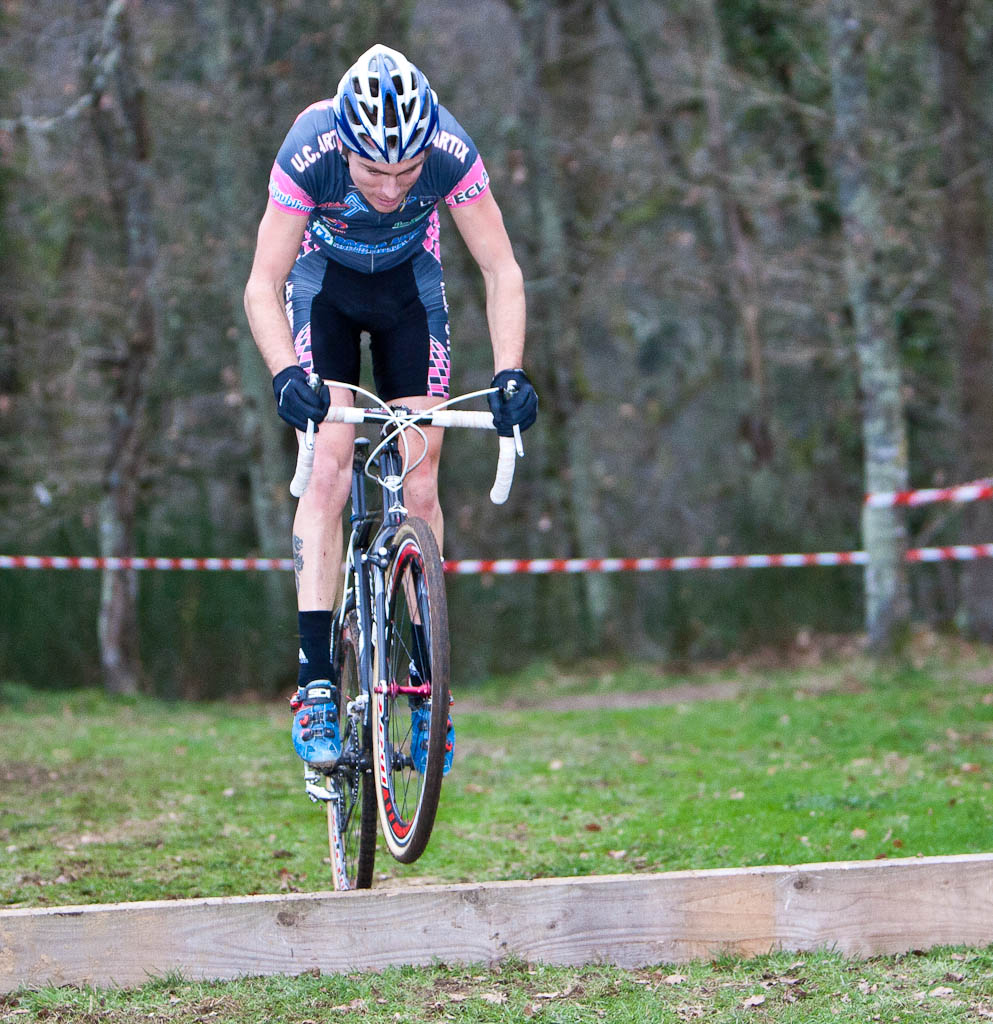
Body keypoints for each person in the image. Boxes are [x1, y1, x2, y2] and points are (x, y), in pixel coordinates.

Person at [243, 44, 537, 772]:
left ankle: (429, 696)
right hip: (324, 289)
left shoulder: (449, 150)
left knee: (422, 474)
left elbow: (500, 269)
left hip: (409, 289)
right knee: (331, 466)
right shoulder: (309, 148)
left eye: (405, 173)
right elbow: (262, 282)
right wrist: (285, 373)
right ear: (345, 146)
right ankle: (316, 683)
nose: (390, 185)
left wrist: (509, 374)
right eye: (373, 169)